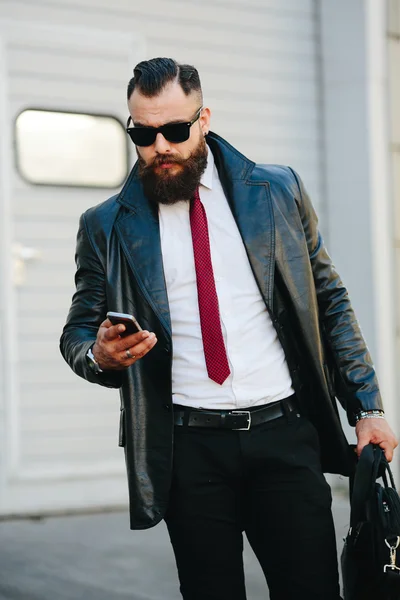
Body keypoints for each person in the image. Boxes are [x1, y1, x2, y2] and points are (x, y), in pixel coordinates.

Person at [60, 57, 398, 600]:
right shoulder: (105, 225)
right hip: (187, 450)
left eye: (174, 130)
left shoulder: (276, 191)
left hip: (284, 436)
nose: (161, 147)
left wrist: (368, 407)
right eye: (143, 135)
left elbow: (330, 302)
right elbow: (76, 334)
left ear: (204, 119)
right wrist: (100, 356)